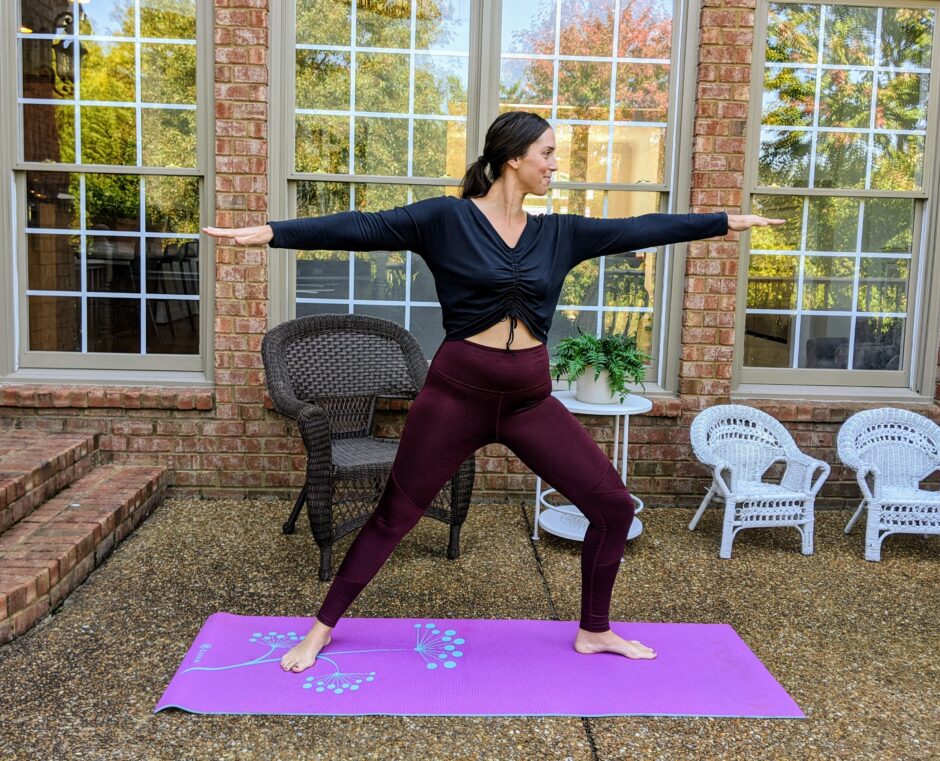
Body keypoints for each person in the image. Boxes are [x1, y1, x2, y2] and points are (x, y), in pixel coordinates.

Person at [203, 111, 783, 672]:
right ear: (513, 158)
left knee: (612, 506)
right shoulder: (445, 220)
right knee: (396, 514)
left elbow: (638, 229)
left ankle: (595, 629)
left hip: (530, 400)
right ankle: (320, 630)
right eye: (548, 153)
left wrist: (720, 221)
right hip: (456, 396)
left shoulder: (559, 232)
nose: (556, 165)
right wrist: (275, 233)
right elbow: (364, 226)